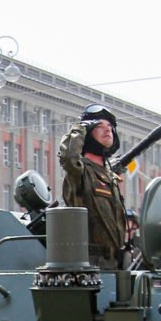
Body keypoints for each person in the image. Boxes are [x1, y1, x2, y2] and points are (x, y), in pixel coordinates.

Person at [58, 104, 127, 269]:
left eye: (110, 127)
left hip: (115, 263)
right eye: (99, 126)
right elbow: (68, 157)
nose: (107, 130)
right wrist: (79, 128)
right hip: (90, 265)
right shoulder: (81, 171)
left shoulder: (109, 176)